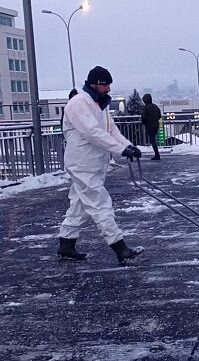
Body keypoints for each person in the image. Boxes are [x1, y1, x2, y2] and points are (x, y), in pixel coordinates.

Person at [57, 66, 144, 265]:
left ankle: (66, 245)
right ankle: (120, 248)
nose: (108, 89)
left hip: (94, 163)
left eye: (109, 85)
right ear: (94, 83)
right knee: (100, 204)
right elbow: (92, 132)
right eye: (105, 84)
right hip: (82, 163)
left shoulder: (98, 105)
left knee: (80, 205)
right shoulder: (78, 103)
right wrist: (120, 150)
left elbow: (111, 130)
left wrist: (128, 146)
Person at [141, 93, 162, 160]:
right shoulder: (155, 106)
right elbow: (159, 115)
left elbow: (144, 117)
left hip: (149, 126)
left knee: (152, 140)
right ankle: (157, 154)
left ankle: (157, 154)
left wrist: (143, 122)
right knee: (153, 140)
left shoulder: (146, 107)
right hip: (156, 125)